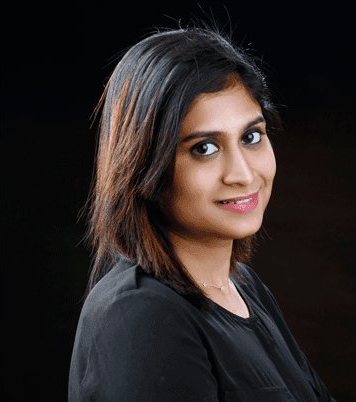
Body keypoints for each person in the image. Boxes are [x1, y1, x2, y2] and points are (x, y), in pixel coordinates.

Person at [69, 26, 336, 402]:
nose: (243, 175)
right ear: (143, 165)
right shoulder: (143, 318)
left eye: (251, 137)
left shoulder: (241, 286)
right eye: (205, 148)